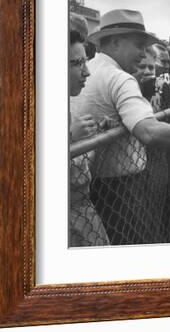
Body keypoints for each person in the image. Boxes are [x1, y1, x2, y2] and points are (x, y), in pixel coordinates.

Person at [75, 9, 170, 245]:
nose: (144, 55)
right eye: (139, 46)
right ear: (115, 42)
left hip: (90, 187)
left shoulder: (87, 70)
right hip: (122, 191)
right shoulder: (119, 78)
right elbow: (148, 130)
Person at [68, 29, 110, 247]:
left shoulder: (70, 105)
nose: (87, 72)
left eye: (85, 62)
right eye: (76, 64)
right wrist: (69, 137)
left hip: (84, 211)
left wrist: (95, 137)